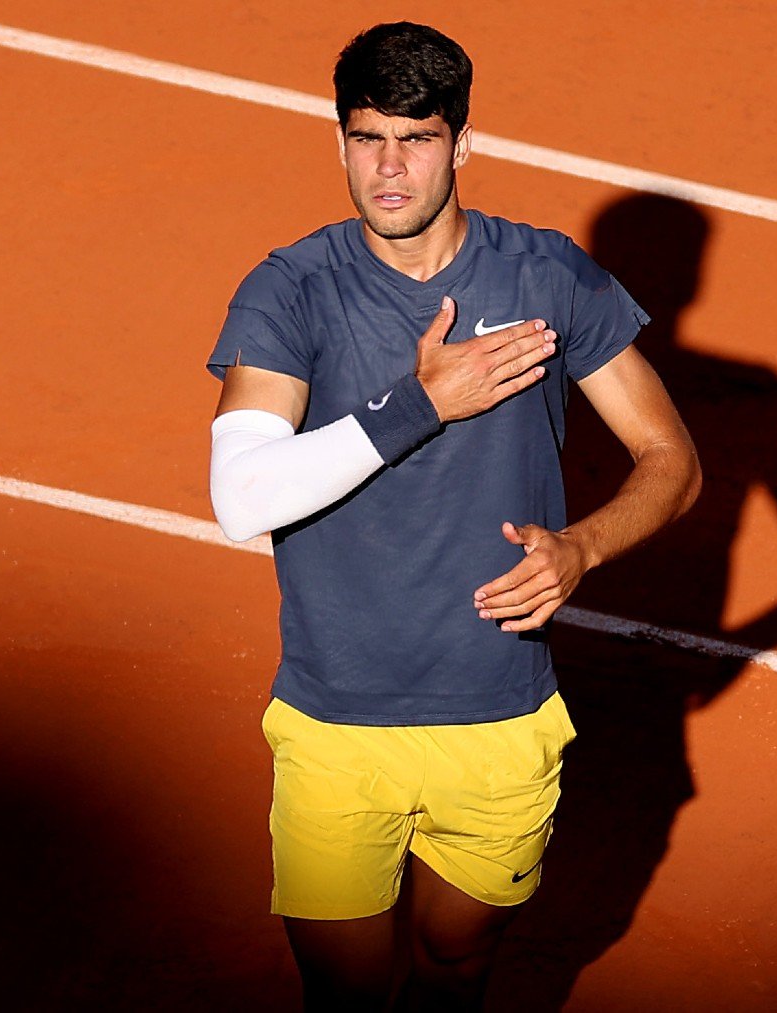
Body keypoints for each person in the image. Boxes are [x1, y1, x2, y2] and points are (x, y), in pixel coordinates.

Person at [205, 22, 701, 1011]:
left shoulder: (547, 278)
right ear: (338, 139)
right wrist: (423, 402)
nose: (388, 169)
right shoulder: (291, 290)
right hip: (336, 721)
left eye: (416, 139)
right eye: (367, 137)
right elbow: (241, 499)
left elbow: (672, 460)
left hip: (500, 714)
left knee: (455, 965)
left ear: (462, 145)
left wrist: (583, 546)